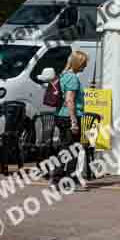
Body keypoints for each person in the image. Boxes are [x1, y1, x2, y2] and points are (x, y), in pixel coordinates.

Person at [52, 51, 88, 188]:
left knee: (67, 148)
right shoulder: (72, 78)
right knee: (71, 150)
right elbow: (69, 100)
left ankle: (64, 178)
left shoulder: (63, 75)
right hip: (70, 117)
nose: (85, 66)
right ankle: (62, 179)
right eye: (84, 63)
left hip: (61, 115)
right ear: (78, 63)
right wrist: (74, 121)